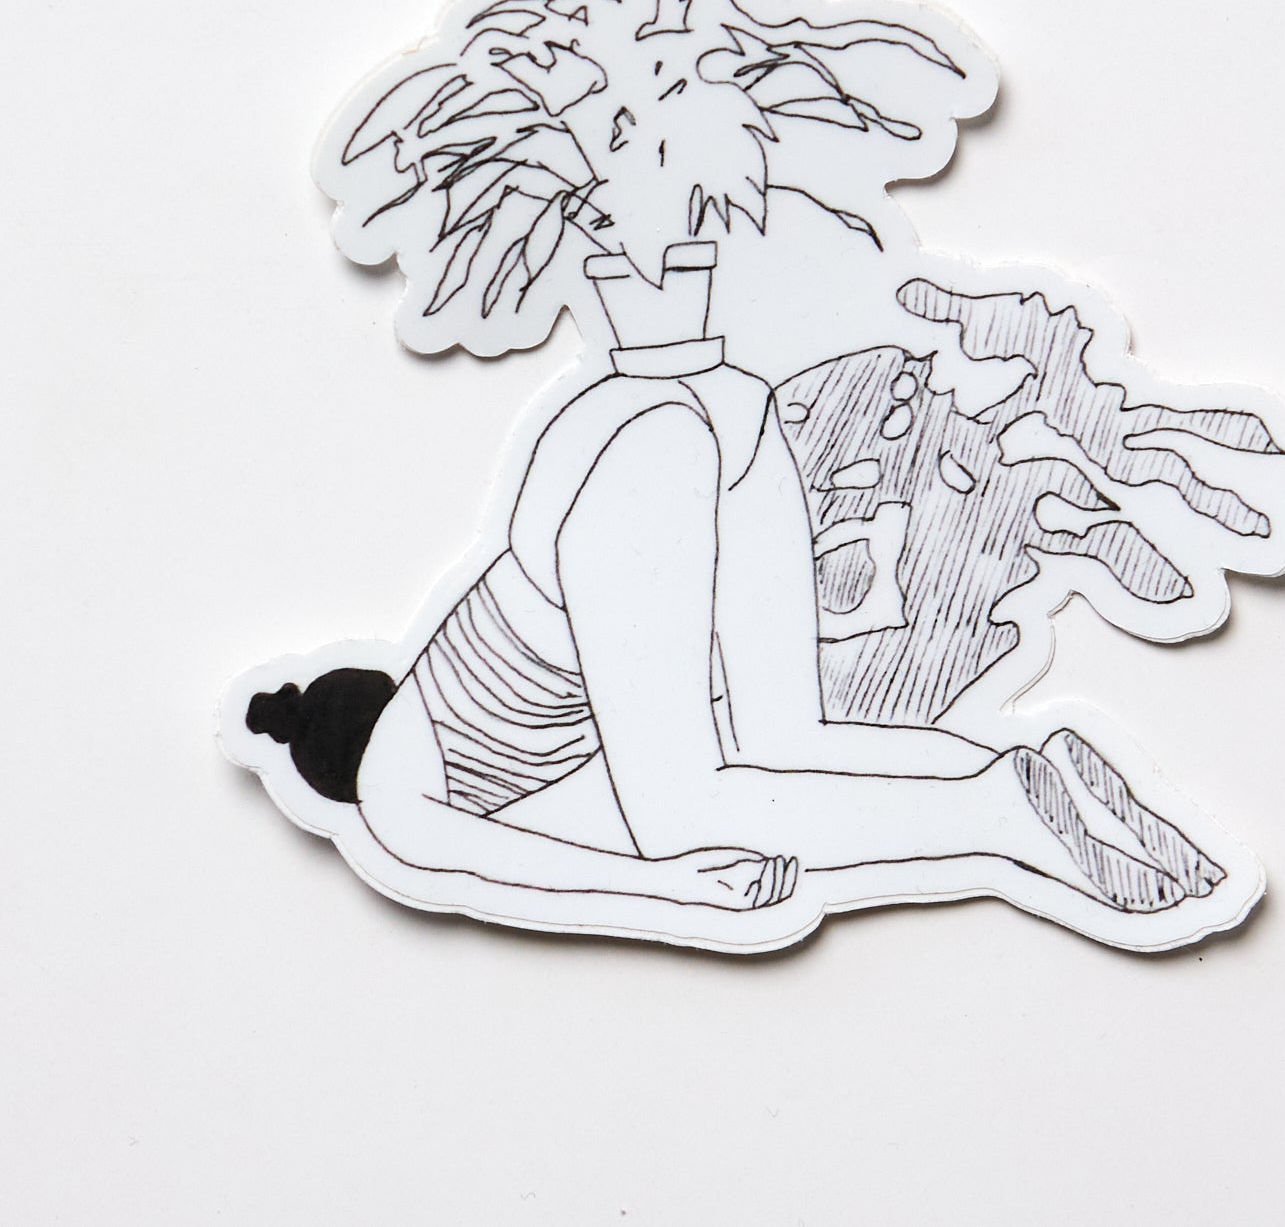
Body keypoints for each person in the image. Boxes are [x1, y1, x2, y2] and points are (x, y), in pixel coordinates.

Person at [255, 240, 1226, 933]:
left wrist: (678, 888)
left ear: (338, 764)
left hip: (627, 473)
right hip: (710, 402)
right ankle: (1018, 761)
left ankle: (1002, 815)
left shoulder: (388, 793)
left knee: (681, 814)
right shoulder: (449, 692)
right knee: (788, 737)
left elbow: (518, 867)